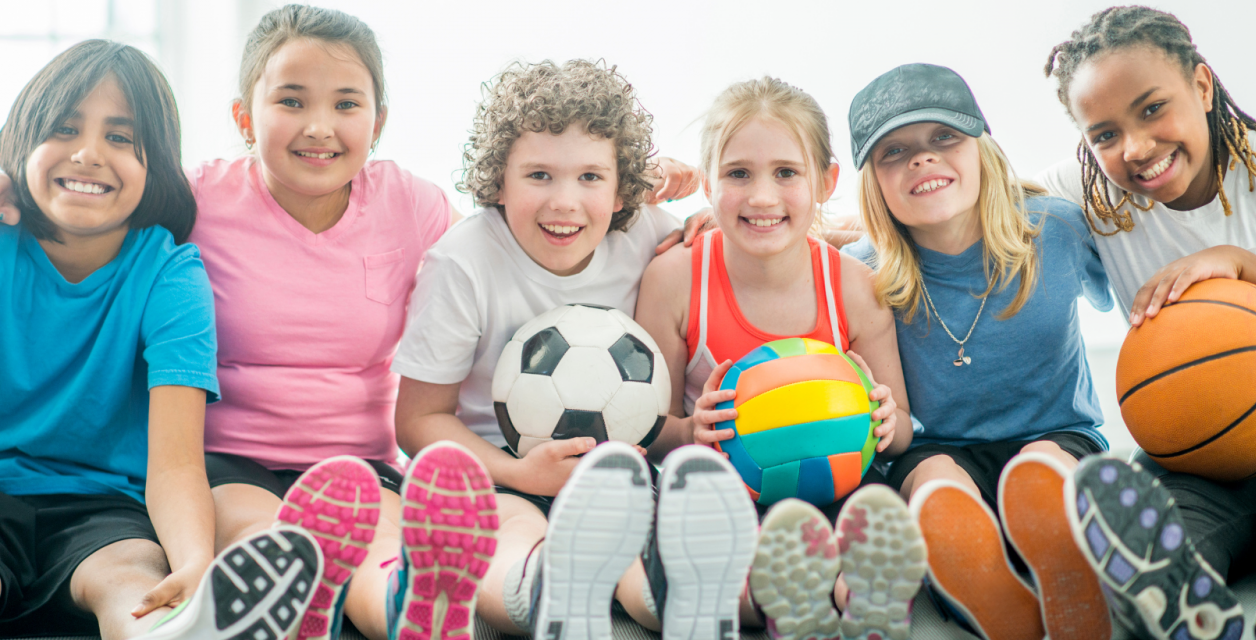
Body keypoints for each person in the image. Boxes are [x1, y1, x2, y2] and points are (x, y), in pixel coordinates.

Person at [392, 58, 750, 639]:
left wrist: (712, 219)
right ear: (497, 182)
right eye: (538, 176)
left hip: (620, 469)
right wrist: (520, 473)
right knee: (505, 528)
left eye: (590, 177)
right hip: (496, 466)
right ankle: (541, 590)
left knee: (635, 531)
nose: (565, 202)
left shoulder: (647, 233)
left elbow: (747, 239)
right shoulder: (462, 264)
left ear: (622, 188)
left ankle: (671, 599)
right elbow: (416, 420)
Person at [0, 40, 320, 640]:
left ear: (156, 166)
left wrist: (196, 561)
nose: (89, 154)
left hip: (100, 505)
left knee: (132, 579)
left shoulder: (171, 275)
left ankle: (183, 629)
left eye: (121, 138)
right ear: (20, 141)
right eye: (65, 129)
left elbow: (174, 465)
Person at [634, 76, 913, 640]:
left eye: (786, 173)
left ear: (826, 181)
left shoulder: (855, 289)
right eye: (739, 174)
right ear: (709, 182)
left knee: (869, 511)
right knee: (693, 522)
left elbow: (904, 427)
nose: (763, 197)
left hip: (835, 484)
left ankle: (864, 604)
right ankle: (779, 597)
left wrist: (886, 421)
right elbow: (648, 427)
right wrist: (692, 429)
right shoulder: (675, 279)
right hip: (723, 488)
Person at [843, 64, 1114, 640]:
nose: (922, 158)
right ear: (874, 183)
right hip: (939, 447)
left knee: (1044, 471)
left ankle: (1063, 563)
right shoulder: (864, 275)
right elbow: (789, 254)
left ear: (983, 150)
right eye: (895, 152)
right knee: (935, 483)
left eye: (944, 137)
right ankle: (982, 580)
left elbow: (1133, 290)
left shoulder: (1057, 230)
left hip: (1057, 435)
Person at [1040, 6, 1256, 639]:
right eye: (1105, 135)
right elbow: (979, 205)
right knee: (1167, 524)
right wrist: (851, 229)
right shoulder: (1093, 197)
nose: (1136, 149)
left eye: (1152, 109)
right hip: (1203, 456)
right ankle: (1185, 611)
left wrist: (1237, 263)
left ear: (1202, 86)